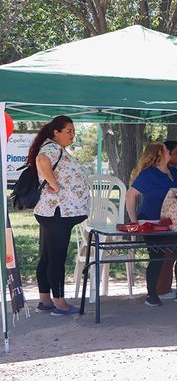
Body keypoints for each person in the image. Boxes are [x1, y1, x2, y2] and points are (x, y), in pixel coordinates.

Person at [29, 116, 89, 316]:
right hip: (57, 213)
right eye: (69, 131)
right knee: (56, 258)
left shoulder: (55, 148)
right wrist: (55, 185)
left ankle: (45, 301)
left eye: (73, 131)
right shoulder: (52, 148)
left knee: (47, 256)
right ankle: (60, 303)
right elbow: (41, 160)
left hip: (53, 212)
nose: (72, 135)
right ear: (56, 132)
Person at [127, 142, 177, 307]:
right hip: (151, 221)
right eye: (166, 150)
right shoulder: (148, 174)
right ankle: (151, 294)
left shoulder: (174, 172)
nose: (169, 151)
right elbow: (131, 195)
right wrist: (134, 221)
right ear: (160, 153)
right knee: (157, 256)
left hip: (173, 222)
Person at [155, 140, 177, 300]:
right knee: (171, 252)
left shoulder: (174, 172)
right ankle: (161, 290)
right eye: (175, 153)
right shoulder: (152, 173)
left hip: (174, 221)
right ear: (164, 153)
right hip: (158, 221)